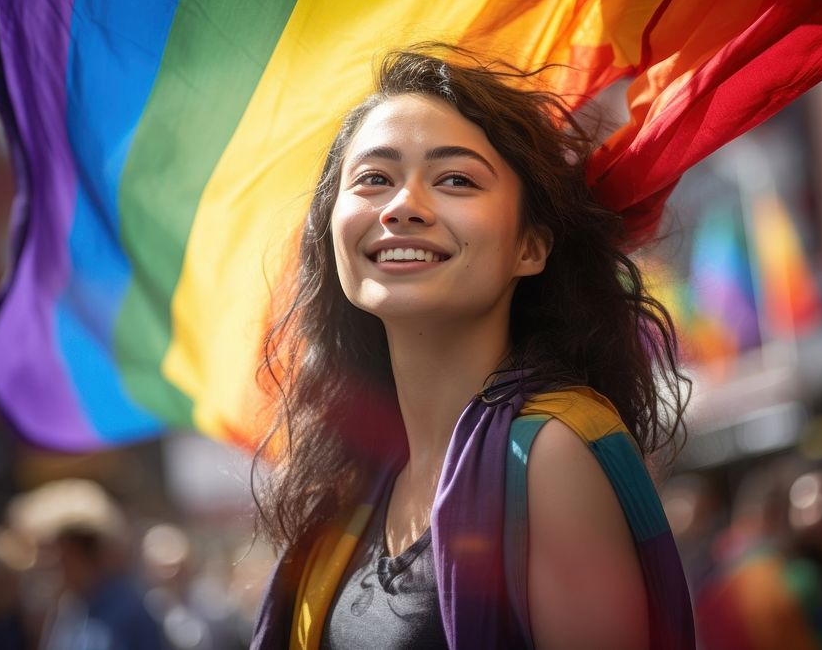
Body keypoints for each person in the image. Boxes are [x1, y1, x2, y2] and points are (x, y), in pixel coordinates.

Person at [250, 43, 693, 649]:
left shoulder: (551, 455)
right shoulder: (356, 489)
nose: (403, 206)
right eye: (374, 179)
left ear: (529, 248)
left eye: (455, 178)